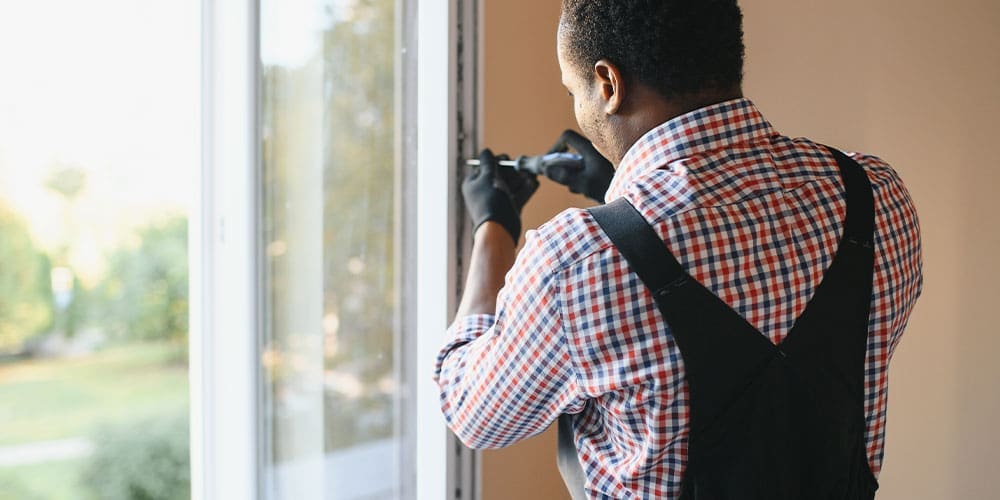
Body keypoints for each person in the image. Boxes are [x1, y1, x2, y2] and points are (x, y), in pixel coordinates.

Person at [434, 0, 923, 498]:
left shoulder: (575, 260)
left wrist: (493, 227)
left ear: (608, 85)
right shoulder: (875, 194)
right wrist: (619, 201)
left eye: (572, 90)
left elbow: (474, 412)